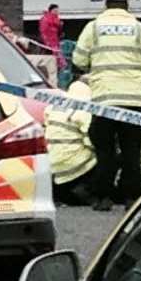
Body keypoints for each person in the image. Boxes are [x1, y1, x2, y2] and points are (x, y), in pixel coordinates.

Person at [72, 0, 141, 211]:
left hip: (104, 99)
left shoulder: (93, 27)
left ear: (106, 5)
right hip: (134, 99)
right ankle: (131, 198)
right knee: (132, 149)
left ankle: (103, 198)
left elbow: (79, 59)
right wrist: (138, 76)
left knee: (105, 150)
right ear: (127, 7)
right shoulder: (139, 28)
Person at [44, 78, 96, 206]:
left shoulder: (54, 106)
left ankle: (61, 195)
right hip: (74, 164)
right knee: (104, 155)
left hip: (52, 164)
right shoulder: (84, 107)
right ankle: (88, 191)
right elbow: (91, 140)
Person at [39, 3, 66, 69]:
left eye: (57, 11)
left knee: (58, 59)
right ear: (51, 11)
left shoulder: (56, 20)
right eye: (55, 11)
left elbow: (58, 32)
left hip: (54, 42)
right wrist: (47, 42)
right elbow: (43, 31)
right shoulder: (46, 19)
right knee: (56, 59)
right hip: (50, 43)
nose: (57, 12)